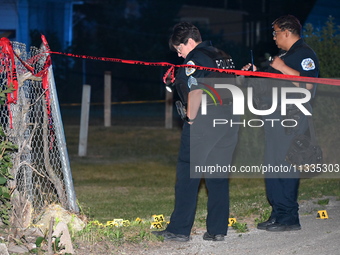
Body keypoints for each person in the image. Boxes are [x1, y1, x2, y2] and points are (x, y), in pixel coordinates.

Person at [152, 22, 239, 241]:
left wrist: (190, 117)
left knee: (187, 175)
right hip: (230, 120)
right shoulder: (224, 55)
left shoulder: (194, 59)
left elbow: (196, 90)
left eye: (179, 49)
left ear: (190, 42)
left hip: (206, 122)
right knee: (217, 177)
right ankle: (217, 230)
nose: (180, 56)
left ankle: (178, 230)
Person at [242, 15, 319, 231]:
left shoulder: (304, 54)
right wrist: (255, 74)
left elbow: (308, 86)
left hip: (292, 119)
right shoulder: (283, 56)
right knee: (271, 164)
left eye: (275, 32)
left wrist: (282, 67)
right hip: (274, 117)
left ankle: (289, 218)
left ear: (287, 31)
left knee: (285, 165)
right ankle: (277, 213)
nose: (274, 37)